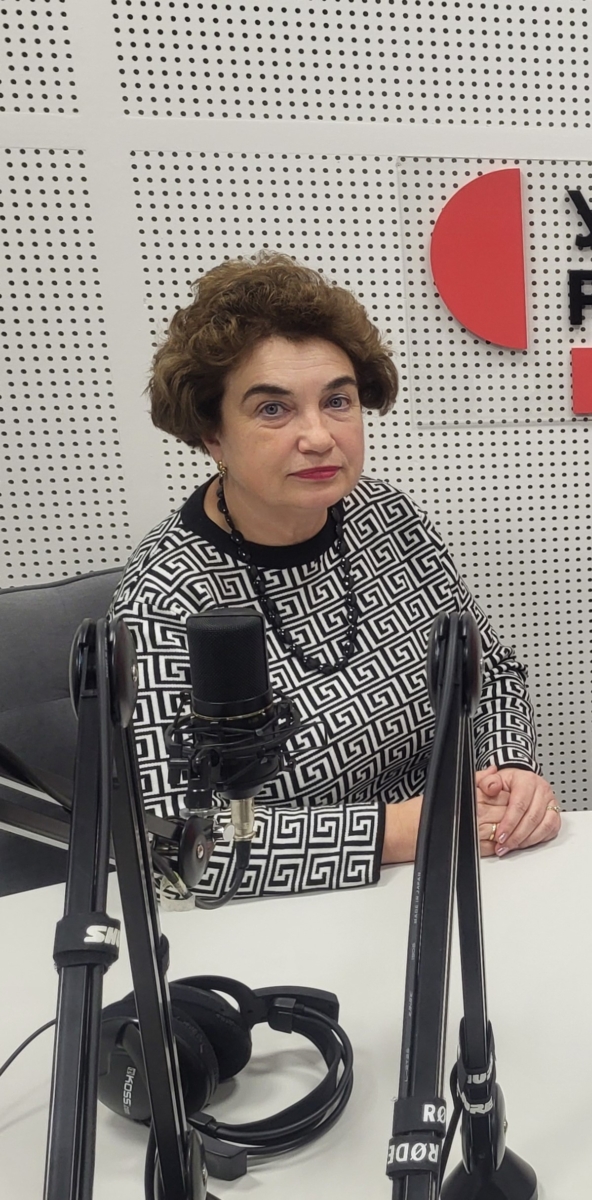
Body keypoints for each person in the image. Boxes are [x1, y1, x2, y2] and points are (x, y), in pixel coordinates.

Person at [111, 253, 560, 900]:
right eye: (274, 409)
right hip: (278, 911)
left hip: (445, 871)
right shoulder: (166, 595)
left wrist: (507, 771)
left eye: (337, 401)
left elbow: (488, 676)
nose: (319, 436)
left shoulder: (388, 519)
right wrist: (406, 829)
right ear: (213, 434)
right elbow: (175, 848)